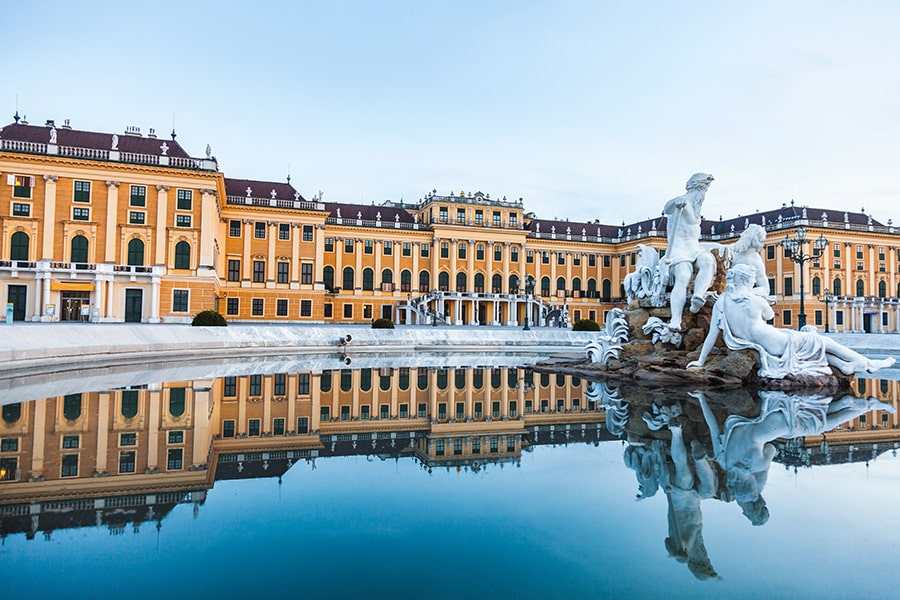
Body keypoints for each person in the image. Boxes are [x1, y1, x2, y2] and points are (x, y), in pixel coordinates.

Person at [687, 264, 895, 378]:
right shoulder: (755, 300)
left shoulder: (721, 302)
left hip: (760, 344)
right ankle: (867, 362)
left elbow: (712, 336)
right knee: (822, 342)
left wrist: (701, 360)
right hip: (775, 341)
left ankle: (845, 365)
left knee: (813, 348)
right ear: (748, 281)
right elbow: (769, 316)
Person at [659, 173, 717, 330]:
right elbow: (666, 208)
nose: (703, 195)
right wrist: (676, 203)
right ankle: (675, 319)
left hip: (694, 248)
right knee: (684, 275)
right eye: (702, 190)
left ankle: (698, 296)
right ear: (695, 188)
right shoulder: (681, 201)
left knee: (708, 261)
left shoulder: (697, 207)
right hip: (678, 249)